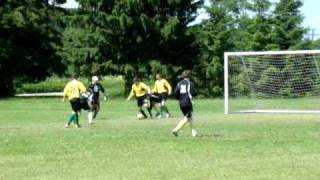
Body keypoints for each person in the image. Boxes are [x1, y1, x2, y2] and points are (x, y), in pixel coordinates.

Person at [172, 70, 198, 137]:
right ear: (189, 76)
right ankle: (176, 130)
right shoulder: (190, 83)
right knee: (187, 117)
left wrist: (179, 98)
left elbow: (175, 93)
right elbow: (193, 93)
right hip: (188, 102)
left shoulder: (179, 83)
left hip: (181, 103)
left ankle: (194, 132)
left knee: (189, 117)